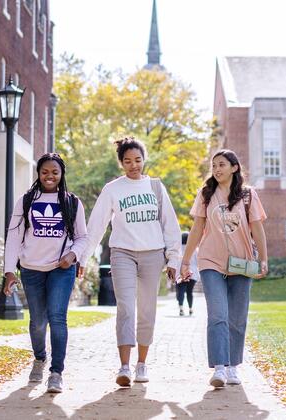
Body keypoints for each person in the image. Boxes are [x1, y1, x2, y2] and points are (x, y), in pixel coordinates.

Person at [80, 136, 181, 387]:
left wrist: (173, 258)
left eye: (138, 160)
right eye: (128, 161)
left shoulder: (156, 187)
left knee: (147, 309)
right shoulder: (113, 189)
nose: (134, 165)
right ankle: (124, 366)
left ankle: (142, 364)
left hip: (153, 254)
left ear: (144, 160)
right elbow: (96, 226)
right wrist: (83, 257)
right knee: (125, 307)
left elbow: (170, 225)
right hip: (122, 253)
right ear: (121, 163)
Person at [180, 149, 268, 388]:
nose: (217, 169)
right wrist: (186, 260)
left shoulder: (248, 195)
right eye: (214, 165)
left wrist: (264, 258)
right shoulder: (206, 194)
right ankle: (219, 367)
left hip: (242, 262)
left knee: (237, 318)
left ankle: (233, 367)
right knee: (218, 314)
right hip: (211, 261)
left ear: (234, 167)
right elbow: (197, 228)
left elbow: (257, 228)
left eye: (222, 165)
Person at [3, 153, 87, 393]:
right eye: (45, 172)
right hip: (31, 269)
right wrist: (10, 271)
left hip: (61, 269)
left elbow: (82, 237)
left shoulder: (72, 202)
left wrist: (72, 256)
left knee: (57, 317)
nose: (50, 176)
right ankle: (40, 358)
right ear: (38, 174)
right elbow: (14, 237)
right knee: (38, 321)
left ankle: (56, 372)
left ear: (61, 175)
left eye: (55, 172)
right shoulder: (26, 201)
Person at [175, 231, 199, 316]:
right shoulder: (195, 249)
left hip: (180, 273)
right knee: (190, 292)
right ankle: (190, 309)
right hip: (192, 273)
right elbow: (198, 262)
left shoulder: (177, 249)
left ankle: (181, 308)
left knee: (180, 291)